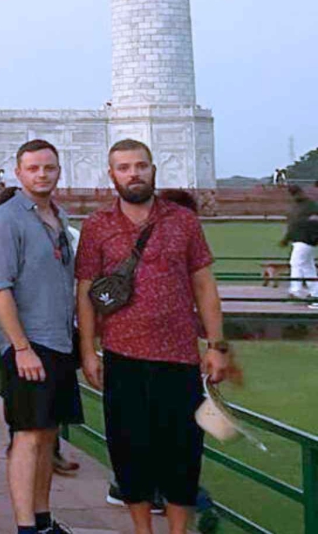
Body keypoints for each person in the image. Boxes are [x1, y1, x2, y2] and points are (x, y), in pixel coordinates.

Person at [76, 140, 230, 534]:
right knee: (130, 452)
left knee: (182, 452)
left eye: (140, 166)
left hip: (179, 355)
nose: (134, 174)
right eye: (124, 167)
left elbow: (203, 284)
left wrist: (215, 345)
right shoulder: (98, 226)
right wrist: (89, 351)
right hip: (122, 355)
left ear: (153, 169)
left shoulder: (182, 221)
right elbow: (86, 292)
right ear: (111, 175)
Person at [0, 140, 80, 534]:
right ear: (19, 173)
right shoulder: (7, 220)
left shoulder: (59, 215)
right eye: (34, 168)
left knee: (47, 432)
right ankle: (25, 526)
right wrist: (20, 348)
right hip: (27, 343)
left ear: (58, 171)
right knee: (26, 434)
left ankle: (42, 519)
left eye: (49, 168)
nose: (42, 174)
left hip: (58, 340)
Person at [281, 184, 318, 304]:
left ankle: (296, 290)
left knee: (296, 263)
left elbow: (293, 226)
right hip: (306, 240)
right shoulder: (308, 206)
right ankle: (315, 293)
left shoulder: (301, 208)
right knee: (308, 267)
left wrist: (286, 239)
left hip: (303, 240)